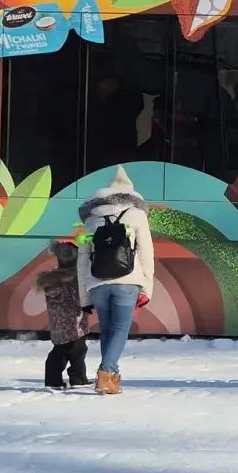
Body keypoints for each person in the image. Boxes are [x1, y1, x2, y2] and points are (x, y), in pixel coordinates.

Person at [77, 166, 156, 396]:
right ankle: (106, 372)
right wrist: (147, 287)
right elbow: (146, 253)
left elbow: (83, 259)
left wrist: (84, 297)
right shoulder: (136, 215)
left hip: (98, 282)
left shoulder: (92, 218)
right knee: (120, 329)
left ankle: (111, 378)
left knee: (108, 331)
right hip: (127, 281)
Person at [38, 239, 90, 390]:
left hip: (58, 325)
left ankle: (55, 379)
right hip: (74, 324)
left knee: (61, 351)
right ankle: (77, 379)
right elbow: (79, 299)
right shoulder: (73, 279)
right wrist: (89, 302)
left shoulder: (52, 280)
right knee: (77, 351)